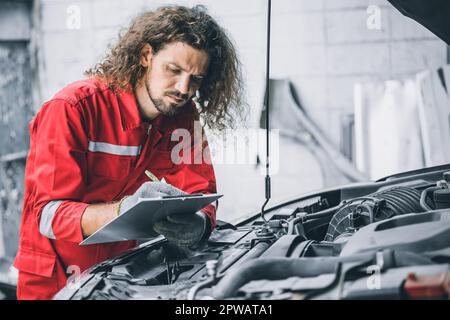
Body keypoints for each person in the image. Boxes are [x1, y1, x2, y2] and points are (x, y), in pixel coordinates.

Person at [13, 5, 245, 300]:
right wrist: (125, 210)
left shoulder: (185, 116)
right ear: (146, 55)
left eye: (195, 78)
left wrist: (198, 224)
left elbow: (202, 191)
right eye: (173, 70)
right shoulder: (71, 108)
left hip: (118, 274)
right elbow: (48, 216)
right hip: (54, 279)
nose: (184, 88)